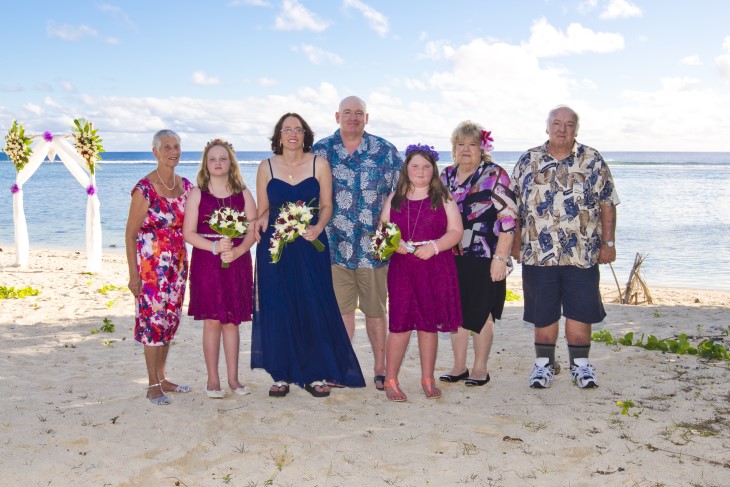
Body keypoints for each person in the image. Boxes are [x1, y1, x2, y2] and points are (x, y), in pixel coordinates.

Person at [251, 112, 366, 398]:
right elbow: (263, 208)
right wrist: (260, 219)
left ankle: (315, 373)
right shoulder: (266, 166)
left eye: (298, 129)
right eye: (287, 129)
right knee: (278, 305)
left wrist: (317, 227)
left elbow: (327, 205)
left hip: (310, 242)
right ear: (279, 135)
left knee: (313, 304)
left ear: (306, 135)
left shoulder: (319, 163)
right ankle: (281, 373)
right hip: (275, 247)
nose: (293, 134)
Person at [511, 105, 619, 389]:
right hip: (537, 253)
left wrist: (608, 243)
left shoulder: (592, 160)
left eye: (569, 124)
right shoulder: (528, 160)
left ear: (576, 129)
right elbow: (513, 208)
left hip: (582, 253)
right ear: (547, 127)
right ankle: (544, 366)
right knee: (542, 312)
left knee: (580, 311)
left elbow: (608, 203)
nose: (562, 129)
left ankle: (580, 367)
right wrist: (513, 242)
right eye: (556, 123)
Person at [311, 96, 403, 391]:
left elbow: (401, 190)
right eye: (348, 112)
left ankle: (380, 368)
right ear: (337, 115)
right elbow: (305, 193)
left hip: (373, 248)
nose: (353, 117)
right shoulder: (320, 151)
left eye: (359, 113)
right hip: (334, 246)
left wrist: (389, 215)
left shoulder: (385, 151)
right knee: (341, 310)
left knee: (376, 311)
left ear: (367, 117)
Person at [379, 144, 463, 402]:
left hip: (434, 265)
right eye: (415, 166)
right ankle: (391, 380)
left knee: (429, 326)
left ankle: (428, 378)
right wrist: (396, 244)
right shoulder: (395, 198)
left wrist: (434, 247)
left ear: (433, 170)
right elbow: (382, 230)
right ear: (406, 169)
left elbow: (456, 232)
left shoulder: (444, 197)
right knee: (400, 325)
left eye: (426, 166)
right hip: (403, 268)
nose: (420, 171)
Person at [438, 122, 517, 387]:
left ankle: (480, 368)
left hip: (486, 255)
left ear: (482, 148)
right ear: (454, 148)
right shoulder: (444, 176)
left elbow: (509, 220)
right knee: (455, 312)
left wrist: (501, 259)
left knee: (482, 312)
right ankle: (459, 366)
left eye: (472, 144)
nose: (466, 149)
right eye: (461, 144)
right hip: (450, 256)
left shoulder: (495, 174)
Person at [183, 139, 257, 398]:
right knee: (213, 321)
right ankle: (213, 379)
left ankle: (234, 379)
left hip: (236, 262)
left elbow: (252, 229)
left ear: (231, 163)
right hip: (207, 261)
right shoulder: (197, 193)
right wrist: (214, 247)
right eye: (212, 159)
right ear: (205, 163)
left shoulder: (243, 193)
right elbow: (188, 233)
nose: (217, 163)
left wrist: (237, 250)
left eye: (222, 158)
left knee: (231, 322)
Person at [125, 129, 193, 405]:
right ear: (155, 152)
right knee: (153, 325)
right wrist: (133, 276)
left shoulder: (186, 186)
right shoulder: (144, 189)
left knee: (169, 322)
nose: (172, 151)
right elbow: (130, 234)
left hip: (177, 268)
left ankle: (163, 378)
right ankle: (152, 384)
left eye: (176, 146)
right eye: (166, 147)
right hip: (151, 269)